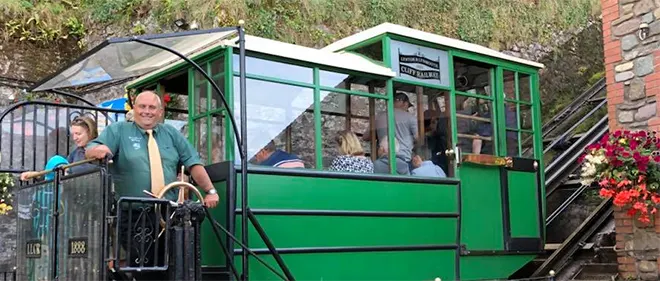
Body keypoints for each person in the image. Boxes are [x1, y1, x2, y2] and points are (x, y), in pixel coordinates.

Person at [85, 91, 218, 280]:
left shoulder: (170, 133)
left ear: (160, 112)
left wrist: (210, 191)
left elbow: (193, 162)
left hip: (169, 214)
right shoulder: (119, 130)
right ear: (135, 109)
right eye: (142, 106)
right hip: (135, 213)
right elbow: (91, 150)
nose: (147, 111)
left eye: (152, 107)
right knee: (143, 269)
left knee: (173, 267)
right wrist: (99, 150)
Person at [19, 116, 99, 181]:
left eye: (78, 134)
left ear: (89, 132)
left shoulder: (99, 149)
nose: (74, 138)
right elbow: (58, 173)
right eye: (73, 134)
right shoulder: (76, 152)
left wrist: (66, 170)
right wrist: (36, 175)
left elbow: (96, 170)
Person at [364, 91, 418, 165]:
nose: (407, 108)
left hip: (383, 158)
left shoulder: (379, 116)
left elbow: (366, 137)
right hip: (404, 158)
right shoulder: (411, 118)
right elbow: (418, 138)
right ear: (405, 103)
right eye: (408, 106)